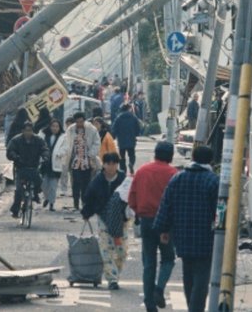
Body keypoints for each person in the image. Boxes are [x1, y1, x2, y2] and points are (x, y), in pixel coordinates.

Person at [153, 146, 219, 312]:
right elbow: (219, 212)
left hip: (182, 235)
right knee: (201, 278)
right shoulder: (213, 181)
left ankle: (192, 306)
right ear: (210, 160)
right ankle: (195, 309)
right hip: (205, 237)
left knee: (188, 274)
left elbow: (166, 205)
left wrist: (163, 229)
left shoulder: (178, 178)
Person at [128, 142, 178, 312]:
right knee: (168, 259)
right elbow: (176, 202)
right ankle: (159, 288)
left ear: (155, 153)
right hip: (166, 223)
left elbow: (132, 198)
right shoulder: (173, 174)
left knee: (149, 263)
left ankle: (149, 302)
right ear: (170, 156)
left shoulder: (142, 171)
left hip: (146, 221)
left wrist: (139, 212)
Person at [81, 152, 127, 290]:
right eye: (108, 164)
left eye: (114, 163)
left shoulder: (123, 180)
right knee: (105, 249)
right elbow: (89, 197)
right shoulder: (98, 180)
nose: (111, 167)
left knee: (121, 251)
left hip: (122, 220)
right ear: (104, 164)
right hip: (103, 218)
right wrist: (86, 213)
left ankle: (116, 273)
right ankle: (112, 279)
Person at [6, 121, 49, 218]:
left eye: (30, 131)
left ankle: (35, 195)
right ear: (22, 131)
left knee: (39, 182)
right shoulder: (16, 140)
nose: (28, 133)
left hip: (33, 167)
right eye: (26, 131)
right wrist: (15, 156)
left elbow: (45, 149)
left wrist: (45, 157)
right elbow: (10, 151)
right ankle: (15, 210)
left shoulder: (38, 140)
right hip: (20, 168)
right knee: (19, 190)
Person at [59, 112, 101, 210]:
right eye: (77, 122)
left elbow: (97, 143)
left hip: (87, 161)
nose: (79, 124)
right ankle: (76, 203)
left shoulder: (92, 129)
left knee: (86, 184)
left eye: (81, 121)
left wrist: (91, 154)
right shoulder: (70, 130)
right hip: (75, 162)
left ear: (84, 120)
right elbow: (66, 143)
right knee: (75, 184)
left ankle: (84, 202)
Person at [39, 118, 64, 211]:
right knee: (44, 184)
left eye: (57, 126)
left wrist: (59, 153)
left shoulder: (63, 136)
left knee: (53, 185)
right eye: (53, 126)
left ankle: (52, 203)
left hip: (56, 163)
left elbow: (66, 147)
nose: (55, 128)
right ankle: (47, 198)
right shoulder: (43, 135)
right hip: (45, 163)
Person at [111, 103, 140, 174]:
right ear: (128, 109)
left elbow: (114, 129)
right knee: (132, 155)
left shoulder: (118, 118)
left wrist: (113, 137)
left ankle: (123, 170)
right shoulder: (133, 117)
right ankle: (131, 163)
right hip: (131, 140)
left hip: (121, 141)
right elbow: (138, 128)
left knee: (122, 157)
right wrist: (136, 134)